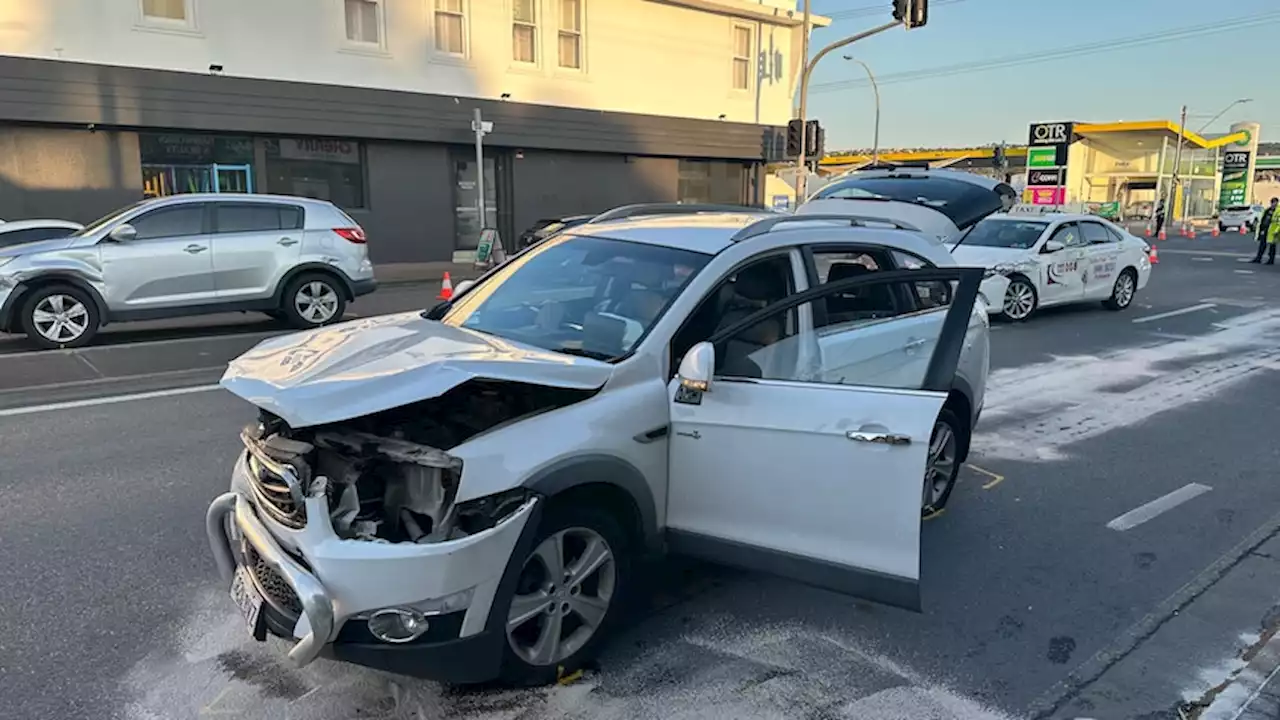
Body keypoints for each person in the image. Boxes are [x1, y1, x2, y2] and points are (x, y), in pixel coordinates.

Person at [1249, 198, 1279, 265]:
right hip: (1265, 229)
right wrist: (1261, 229)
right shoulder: (1267, 210)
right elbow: (1263, 219)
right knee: (1262, 244)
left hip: (1273, 231)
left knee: (1272, 246)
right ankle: (1258, 258)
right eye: (1273, 202)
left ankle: (1271, 260)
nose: (1274, 204)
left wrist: (1277, 230)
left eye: (1275, 202)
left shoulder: (1278, 210)